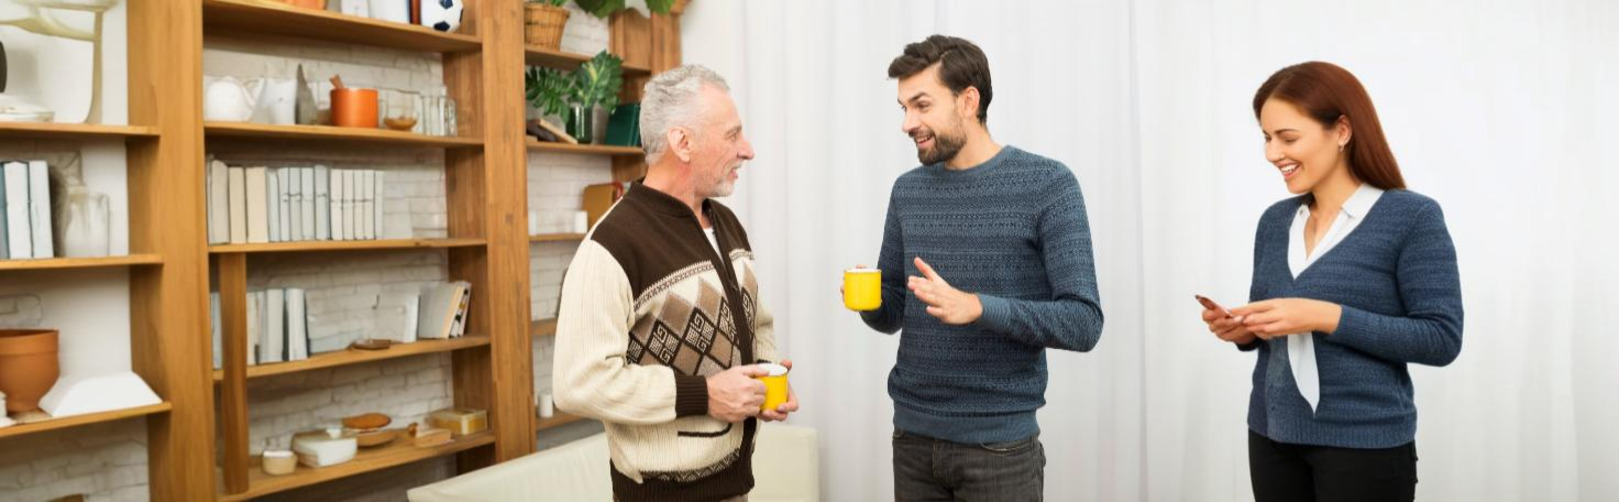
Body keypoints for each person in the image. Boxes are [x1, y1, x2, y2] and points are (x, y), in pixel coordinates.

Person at [857, 34, 1104, 501]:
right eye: (903, 108)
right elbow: (892, 312)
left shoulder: (1048, 184)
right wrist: (868, 300)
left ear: (968, 101)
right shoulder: (907, 191)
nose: (907, 123)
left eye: (922, 105)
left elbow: (1083, 322)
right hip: (912, 440)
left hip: (999, 450)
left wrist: (978, 307)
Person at [1203, 61, 1464, 502]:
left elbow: (1441, 339)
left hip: (1364, 445)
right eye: (1266, 138)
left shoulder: (1411, 217)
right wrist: (1244, 331)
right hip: (1270, 435)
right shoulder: (1275, 222)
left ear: (1341, 131)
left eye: (1287, 138)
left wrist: (1326, 316)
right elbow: (1277, 324)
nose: (1272, 153)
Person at [553, 64, 799, 502]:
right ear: (683, 142)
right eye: (732, 135)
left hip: (734, 487)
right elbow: (578, 383)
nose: (747, 150)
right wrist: (704, 396)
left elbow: (757, 322)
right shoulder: (610, 246)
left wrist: (762, 378)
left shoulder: (727, 224)